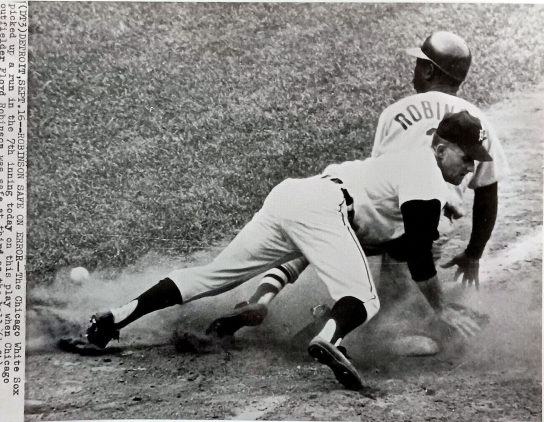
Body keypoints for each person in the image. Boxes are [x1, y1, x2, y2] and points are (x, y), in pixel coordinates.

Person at [78, 111, 490, 389]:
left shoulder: (400, 174)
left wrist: (263, 297)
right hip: (325, 206)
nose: (469, 169)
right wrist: (442, 308)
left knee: (214, 275)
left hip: (294, 197)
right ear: (440, 149)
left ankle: (114, 319)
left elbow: (306, 245)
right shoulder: (425, 174)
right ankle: (331, 339)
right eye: (465, 158)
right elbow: (418, 251)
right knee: (364, 298)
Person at [206, 31, 509, 339]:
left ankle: (262, 297)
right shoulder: (478, 122)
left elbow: (381, 179)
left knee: (315, 229)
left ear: (429, 70)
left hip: (381, 215)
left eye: (419, 62)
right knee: (397, 317)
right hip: (427, 231)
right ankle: (338, 328)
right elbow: (487, 193)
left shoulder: (395, 113)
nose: (414, 69)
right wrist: (473, 254)